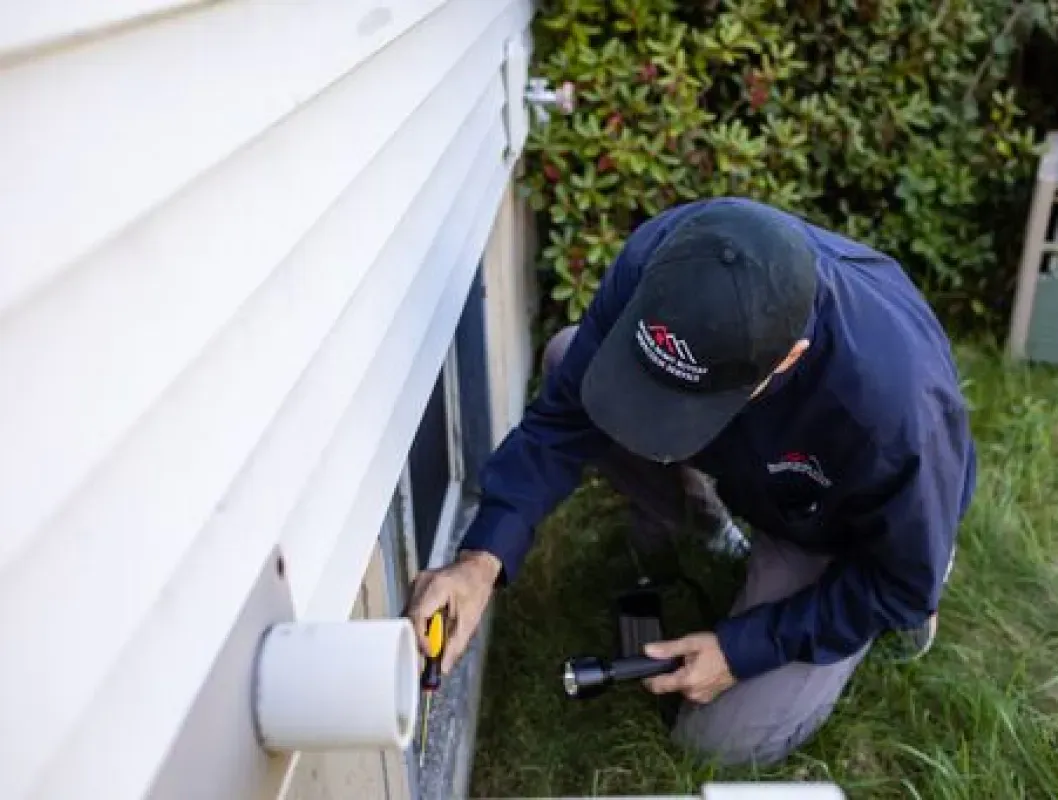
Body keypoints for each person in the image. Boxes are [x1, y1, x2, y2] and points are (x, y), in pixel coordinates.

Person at [406, 197, 976, 766]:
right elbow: (564, 417)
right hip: (754, 464)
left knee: (717, 743)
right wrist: (480, 560)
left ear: (789, 358)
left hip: (834, 527)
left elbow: (901, 583)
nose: (653, 427)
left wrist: (740, 649)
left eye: (685, 401)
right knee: (568, 358)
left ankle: (856, 579)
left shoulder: (898, 415)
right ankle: (710, 532)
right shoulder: (670, 255)